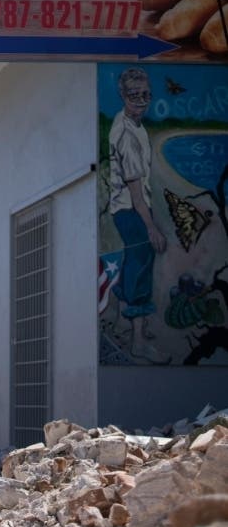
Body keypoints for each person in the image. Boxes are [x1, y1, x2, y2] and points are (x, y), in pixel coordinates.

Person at [108, 67, 168, 363]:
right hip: (131, 209)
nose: (142, 100)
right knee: (142, 267)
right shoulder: (127, 135)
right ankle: (138, 341)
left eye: (145, 94)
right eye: (134, 95)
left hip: (126, 207)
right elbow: (135, 190)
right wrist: (152, 227)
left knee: (134, 261)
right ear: (123, 95)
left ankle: (121, 321)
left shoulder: (129, 121)